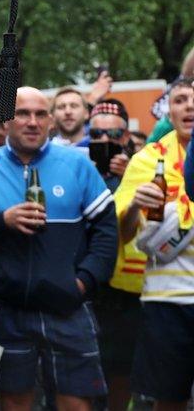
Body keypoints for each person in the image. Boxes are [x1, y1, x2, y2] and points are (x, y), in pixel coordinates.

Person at [0, 86, 117, 411]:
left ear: (50, 121)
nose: (32, 122)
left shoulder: (77, 165)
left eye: (40, 114)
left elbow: (107, 231)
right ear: (7, 119)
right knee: (14, 403)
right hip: (6, 307)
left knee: (76, 405)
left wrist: (83, 282)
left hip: (67, 306)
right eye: (23, 113)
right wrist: (1, 221)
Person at [118, 78, 194, 411]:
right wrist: (135, 205)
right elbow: (121, 232)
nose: (189, 106)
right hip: (166, 301)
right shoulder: (148, 160)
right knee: (168, 398)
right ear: (169, 111)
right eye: (180, 100)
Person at [85, 99, 143, 411]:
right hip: (86, 283)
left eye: (114, 134)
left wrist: (130, 171)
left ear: (126, 136)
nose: (105, 141)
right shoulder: (78, 166)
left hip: (124, 289)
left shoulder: (142, 165)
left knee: (121, 370)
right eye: (97, 134)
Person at [51, 86, 90, 151]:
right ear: (53, 116)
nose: (68, 112)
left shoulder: (100, 149)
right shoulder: (42, 154)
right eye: (61, 107)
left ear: (86, 113)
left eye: (74, 106)